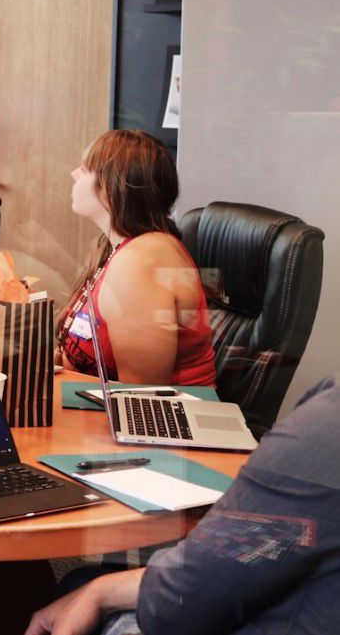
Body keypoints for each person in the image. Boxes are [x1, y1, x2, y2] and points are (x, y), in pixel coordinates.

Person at [25, 374, 340, 635]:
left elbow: (190, 599)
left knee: (76, 591)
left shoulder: (328, 425)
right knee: (81, 583)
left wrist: (100, 592)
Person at [58, 130, 216, 387]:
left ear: (112, 187)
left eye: (86, 170)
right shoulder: (116, 248)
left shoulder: (142, 260)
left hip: (165, 420)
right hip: (108, 408)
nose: (74, 174)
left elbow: (142, 398)